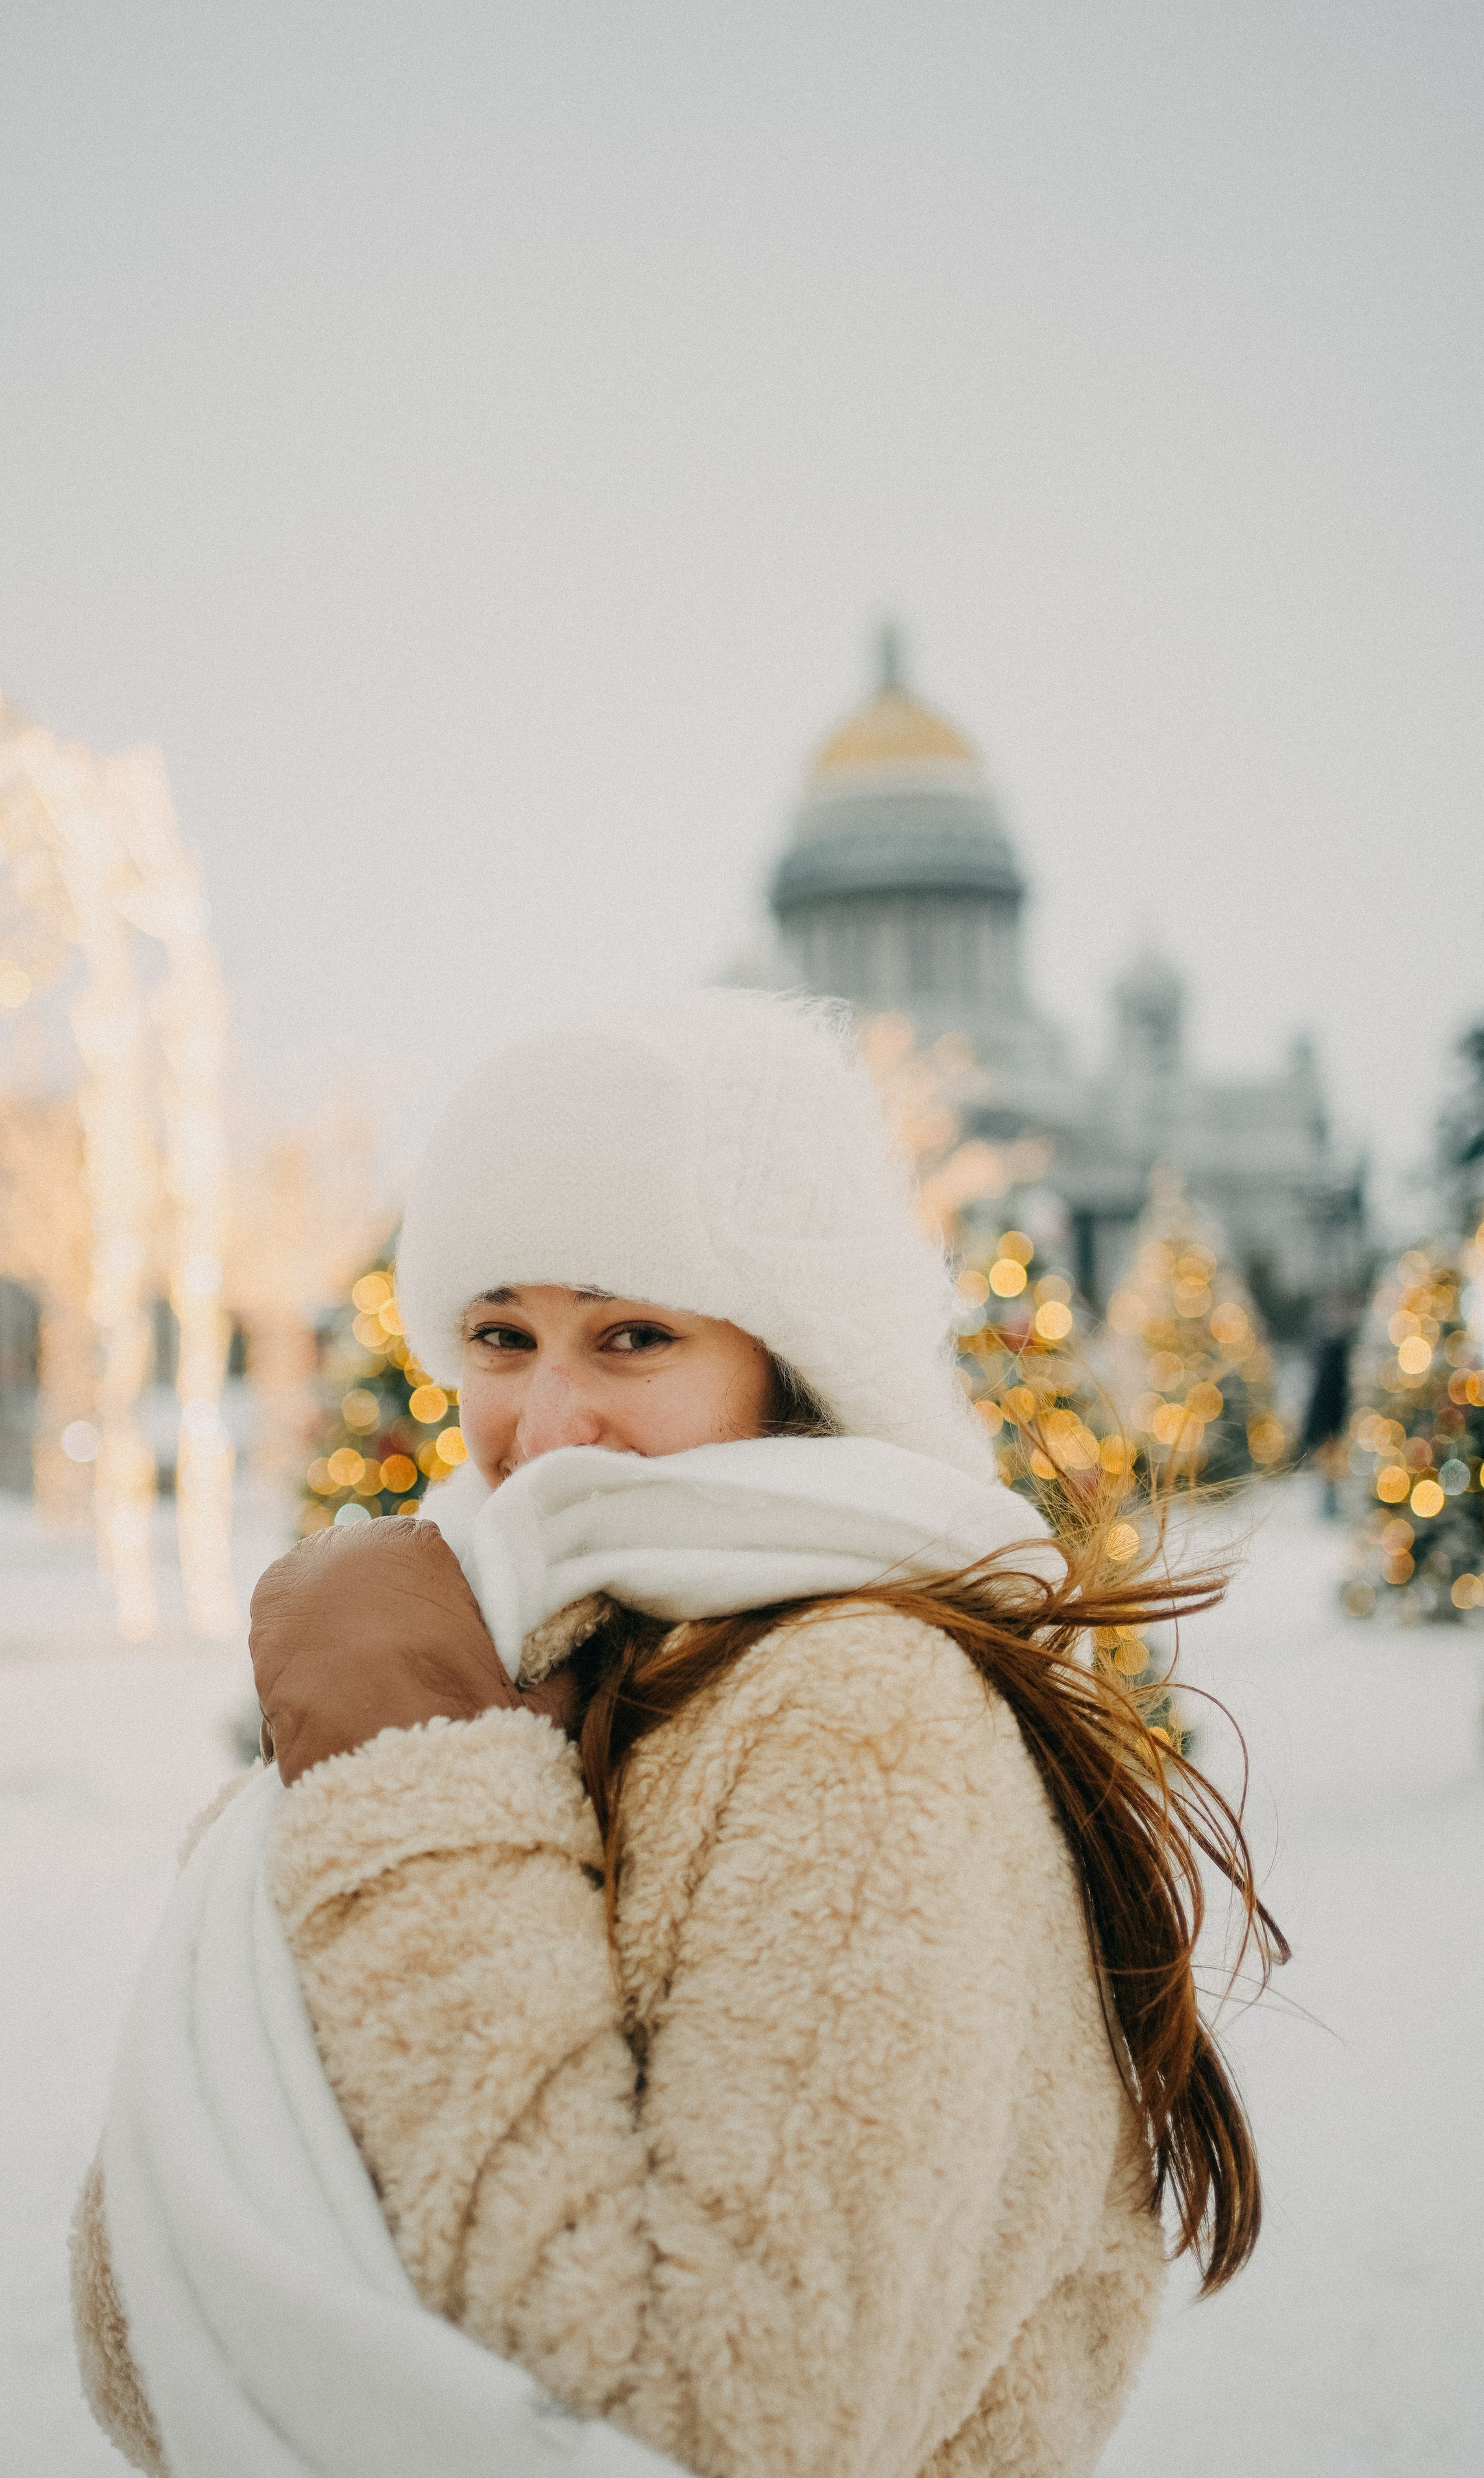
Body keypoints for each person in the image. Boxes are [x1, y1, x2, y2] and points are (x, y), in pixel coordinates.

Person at [72, 990, 1279, 2478]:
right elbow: (154, 2334)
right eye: (500, 1336)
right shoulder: (499, 1641)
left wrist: (416, 1783)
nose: (548, 1419)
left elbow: (720, 2425)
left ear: (786, 1362)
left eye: (632, 1335)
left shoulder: (853, 1712)